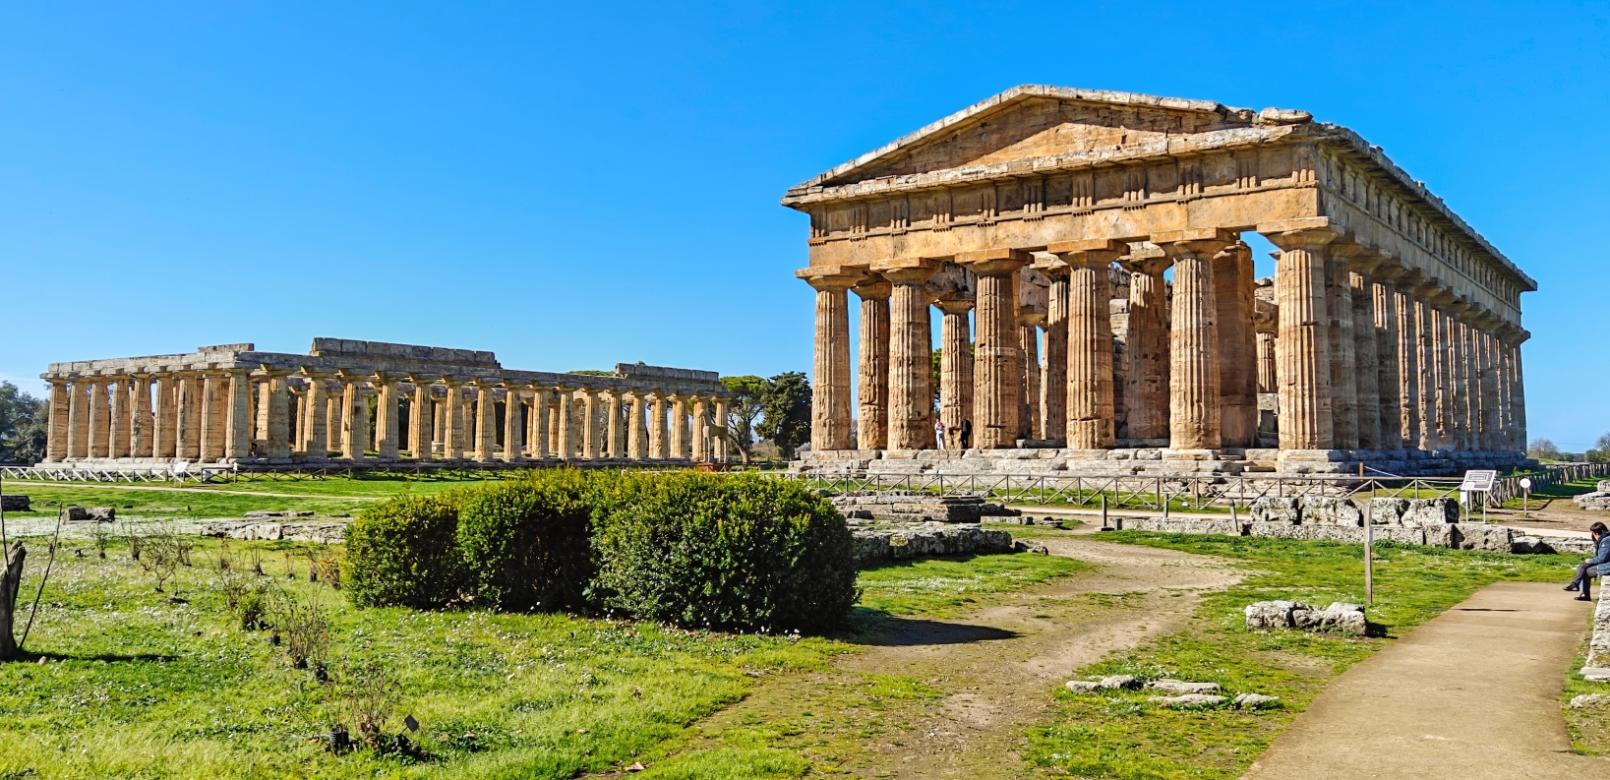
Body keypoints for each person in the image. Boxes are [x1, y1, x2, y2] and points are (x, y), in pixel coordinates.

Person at [1565, 521, 1610, 601]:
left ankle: (1580, 589)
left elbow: (1602, 558)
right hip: (1606, 564)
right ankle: (1577, 586)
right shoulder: (1604, 539)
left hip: (1607, 566)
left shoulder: (1606, 541)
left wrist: (1590, 561)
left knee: (1586, 571)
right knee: (1584, 566)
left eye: (1592, 533)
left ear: (1595, 533)